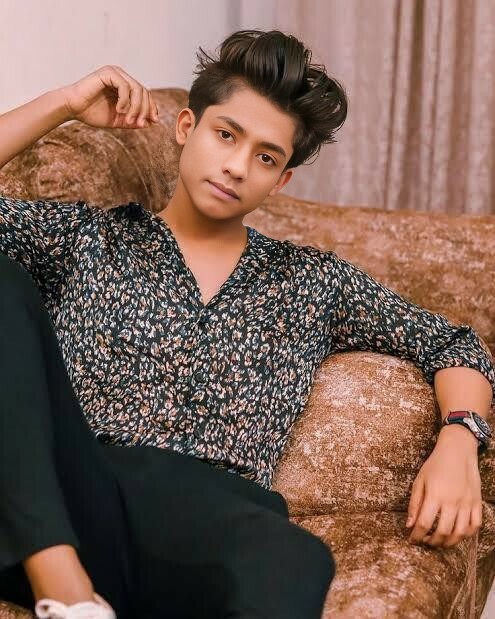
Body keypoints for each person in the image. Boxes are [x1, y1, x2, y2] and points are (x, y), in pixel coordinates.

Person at [0, 28, 493, 619]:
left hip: (209, 517)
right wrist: (64, 103)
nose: (236, 167)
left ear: (280, 180)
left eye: (265, 157)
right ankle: (65, 589)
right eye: (225, 135)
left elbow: (454, 343)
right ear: (186, 127)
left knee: (297, 559)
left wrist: (459, 442)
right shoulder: (86, 239)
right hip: (70, 492)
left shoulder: (312, 281)